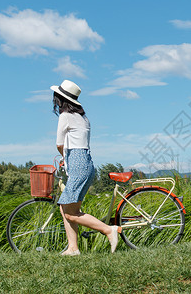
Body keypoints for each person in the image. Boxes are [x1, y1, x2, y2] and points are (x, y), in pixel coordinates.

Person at [51, 79, 121, 256]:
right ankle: (73, 248)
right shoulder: (83, 118)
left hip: (77, 163)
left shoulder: (65, 116)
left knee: (71, 213)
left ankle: (108, 230)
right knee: (66, 208)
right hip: (86, 163)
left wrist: (63, 157)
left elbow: (60, 144)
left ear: (60, 99)